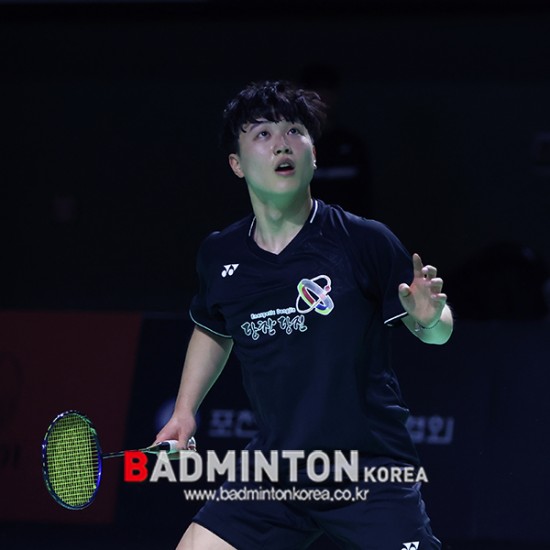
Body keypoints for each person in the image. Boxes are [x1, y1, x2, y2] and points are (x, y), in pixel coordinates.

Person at [156, 80, 453, 549]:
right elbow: (213, 329)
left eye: (294, 131)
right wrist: (184, 412)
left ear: (314, 154)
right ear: (236, 164)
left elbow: (436, 333)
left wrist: (431, 318)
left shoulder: (363, 241)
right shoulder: (221, 254)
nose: (282, 144)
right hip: (277, 471)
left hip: (369, 470)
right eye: (262, 134)